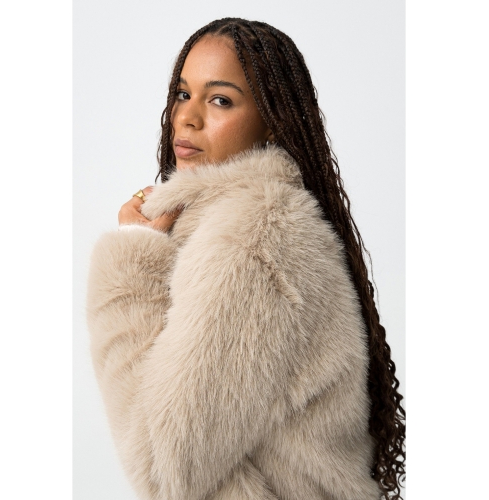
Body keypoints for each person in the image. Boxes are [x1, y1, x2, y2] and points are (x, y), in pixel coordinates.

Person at [86, 17, 405, 500]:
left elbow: (162, 469)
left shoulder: (256, 237)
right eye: (182, 93)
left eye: (220, 100)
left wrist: (129, 261)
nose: (187, 118)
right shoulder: (242, 224)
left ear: (272, 122)